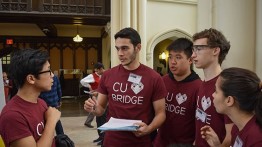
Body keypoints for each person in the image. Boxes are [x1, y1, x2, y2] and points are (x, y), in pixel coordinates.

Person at [84, 27, 167, 147]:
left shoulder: (154, 77)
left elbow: (161, 113)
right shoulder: (108, 75)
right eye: (117, 49)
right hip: (112, 141)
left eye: (125, 48)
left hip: (141, 141)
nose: (120, 54)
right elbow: (100, 109)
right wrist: (93, 108)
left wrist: (149, 129)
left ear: (138, 48)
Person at [0, 48, 61, 147]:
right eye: (48, 70)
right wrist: (51, 121)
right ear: (31, 79)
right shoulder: (12, 116)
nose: (52, 75)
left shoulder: (41, 103)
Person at [154, 38, 202, 147]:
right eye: (170, 57)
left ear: (190, 60)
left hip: (185, 144)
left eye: (178, 57)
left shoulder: (198, 87)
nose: (172, 62)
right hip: (160, 142)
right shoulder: (162, 81)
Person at [191, 28, 233, 147]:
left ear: (215, 50)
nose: (193, 55)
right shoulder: (203, 83)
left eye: (198, 49)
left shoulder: (225, 85)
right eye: (193, 50)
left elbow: (231, 135)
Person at [201, 67, 262, 146]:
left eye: (216, 91)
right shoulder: (236, 128)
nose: (213, 95)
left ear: (229, 100)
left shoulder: (256, 139)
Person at [80, 62, 106, 145]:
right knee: (99, 119)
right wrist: (89, 86)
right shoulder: (92, 76)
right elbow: (82, 81)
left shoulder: (103, 75)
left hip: (102, 99)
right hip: (95, 98)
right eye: (101, 69)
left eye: (103, 68)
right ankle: (100, 136)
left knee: (102, 119)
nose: (103, 70)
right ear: (97, 70)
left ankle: (103, 137)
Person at [39, 70, 64, 135]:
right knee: (56, 119)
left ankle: (47, 135)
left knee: (45, 119)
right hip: (54, 101)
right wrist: (59, 100)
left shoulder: (42, 78)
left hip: (44, 102)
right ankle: (61, 135)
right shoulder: (55, 77)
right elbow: (59, 89)